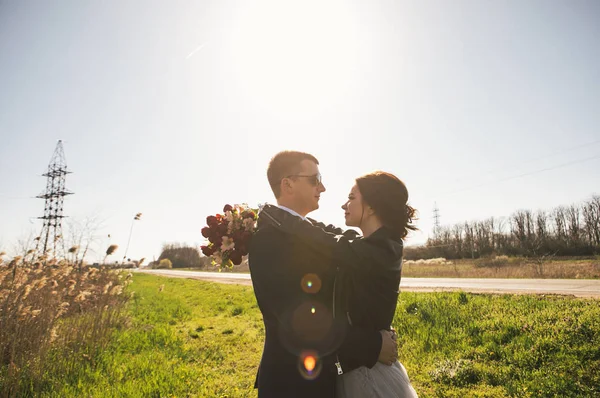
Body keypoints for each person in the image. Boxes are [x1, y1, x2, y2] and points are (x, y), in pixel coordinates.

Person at [248, 151, 398, 398]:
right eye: (315, 179)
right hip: (292, 385)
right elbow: (302, 323)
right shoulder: (269, 240)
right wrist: (373, 345)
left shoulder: (308, 233)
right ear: (288, 183)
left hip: (323, 378)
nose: (323, 187)